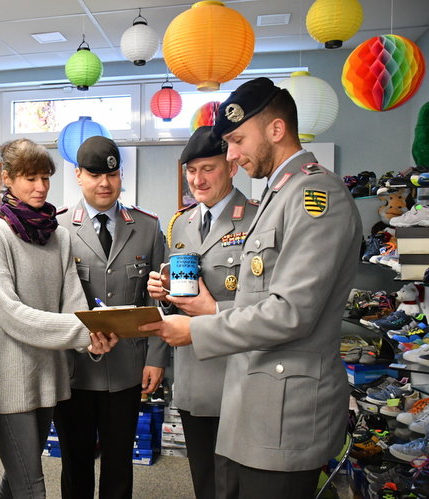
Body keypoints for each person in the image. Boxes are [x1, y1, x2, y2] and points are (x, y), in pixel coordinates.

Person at [141, 77, 362, 499]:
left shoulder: (315, 194)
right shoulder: (282, 194)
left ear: (276, 130)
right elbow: (257, 298)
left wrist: (199, 327)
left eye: (238, 141)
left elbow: (291, 312)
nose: (234, 155)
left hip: (284, 408)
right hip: (253, 398)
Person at [0, 138, 117, 499]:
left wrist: (94, 339)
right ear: (7, 178)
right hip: (8, 381)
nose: (40, 188)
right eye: (29, 178)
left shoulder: (60, 235)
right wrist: (81, 330)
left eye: (45, 178)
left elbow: (73, 303)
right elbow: (12, 316)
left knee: (17, 477)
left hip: (50, 378)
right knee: (31, 486)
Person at [54, 135, 168, 499]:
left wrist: (156, 358)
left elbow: (162, 300)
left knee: (119, 463)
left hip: (127, 369)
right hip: (74, 370)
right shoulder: (57, 229)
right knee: (76, 462)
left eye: (113, 174)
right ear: (78, 175)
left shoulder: (147, 227)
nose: (105, 183)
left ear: (120, 176)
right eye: (94, 175)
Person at [147, 126, 257, 499]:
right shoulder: (182, 222)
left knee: (238, 483)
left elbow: (268, 303)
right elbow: (179, 297)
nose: (198, 179)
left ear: (231, 167)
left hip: (237, 375)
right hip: (193, 374)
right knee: (204, 483)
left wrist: (212, 309)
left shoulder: (257, 218)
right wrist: (163, 294)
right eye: (191, 171)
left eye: (207, 168)